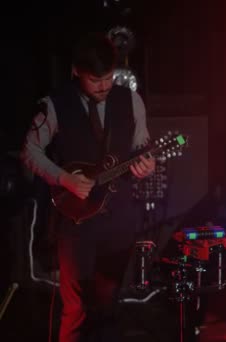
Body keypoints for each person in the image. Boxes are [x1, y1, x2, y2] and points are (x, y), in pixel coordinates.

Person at [20, 32, 155, 342]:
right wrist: (64, 178)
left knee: (108, 305)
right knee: (76, 307)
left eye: (108, 77)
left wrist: (146, 167)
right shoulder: (54, 104)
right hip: (75, 222)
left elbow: (141, 148)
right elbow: (30, 152)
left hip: (118, 219)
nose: (104, 86)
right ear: (76, 71)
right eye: (95, 80)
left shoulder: (131, 100)